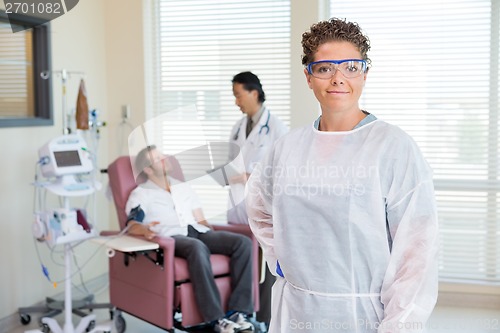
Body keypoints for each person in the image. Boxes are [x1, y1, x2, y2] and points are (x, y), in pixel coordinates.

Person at [246, 18, 439, 333]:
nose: (338, 78)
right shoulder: (288, 147)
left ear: (365, 73)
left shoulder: (392, 147)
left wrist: (399, 325)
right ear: (309, 77)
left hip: (361, 314)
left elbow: (417, 252)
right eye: (324, 68)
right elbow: (258, 204)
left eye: (351, 67)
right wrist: (280, 257)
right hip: (296, 308)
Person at [125, 145, 255, 333]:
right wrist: (144, 231)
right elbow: (132, 223)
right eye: (158, 158)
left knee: (241, 243)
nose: (165, 158)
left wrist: (215, 235)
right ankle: (216, 319)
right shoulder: (142, 193)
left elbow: (200, 217)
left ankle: (239, 312)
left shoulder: (182, 186)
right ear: (148, 169)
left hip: (197, 230)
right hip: (171, 236)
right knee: (196, 247)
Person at [227, 71, 288, 327]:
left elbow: (283, 171)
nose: (236, 102)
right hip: (238, 207)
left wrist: (251, 175)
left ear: (254, 93)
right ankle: (243, 316)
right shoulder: (238, 126)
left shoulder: (276, 128)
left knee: (267, 267)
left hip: (264, 208)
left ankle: (265, 321)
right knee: (243, 260)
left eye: (239, 95)